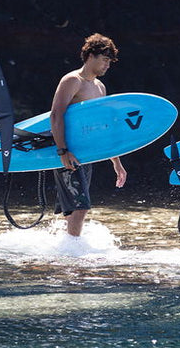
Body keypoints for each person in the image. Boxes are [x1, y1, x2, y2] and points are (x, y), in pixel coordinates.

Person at [49, 33, 127, 237]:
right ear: (91, 56)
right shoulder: (72, 80)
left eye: (110, 61)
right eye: (105, 60)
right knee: (80, 207)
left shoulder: (100, 87)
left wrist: (116, 162)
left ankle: (62, 248)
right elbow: (56, 115)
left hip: (86, 155)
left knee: (72, 210)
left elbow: (102, 127)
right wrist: (62, 151)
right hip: (68, 153)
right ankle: (73, 250)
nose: (108, 65)